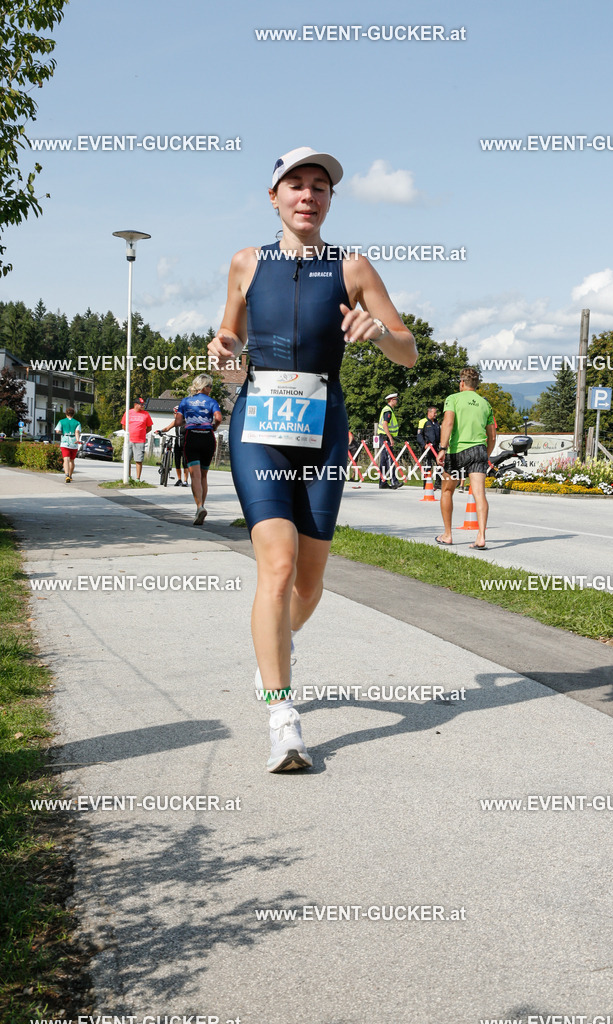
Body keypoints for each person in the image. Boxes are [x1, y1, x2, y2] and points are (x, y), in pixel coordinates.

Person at [208, 146, 417, 772]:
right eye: (294, 185)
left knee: (309, 579)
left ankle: (277, 642)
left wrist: (378, 334)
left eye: (319, 186)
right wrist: (224, 350)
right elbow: (229, 338)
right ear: (273, 197)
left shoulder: (351, 267)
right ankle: (283, 718)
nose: (307, 195)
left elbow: (407, 351)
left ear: (329, 201)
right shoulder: (246, 263)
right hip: (261, 425)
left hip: (323, 428)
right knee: (276, 568)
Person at [435, 367, 496, 549]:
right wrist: (486, 454)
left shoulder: (453, 399)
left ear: (462, 383)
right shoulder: (485, 404)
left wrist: (442, 448)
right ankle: (481, 537)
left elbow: (448, 422)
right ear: (476, 385)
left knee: (447, 491)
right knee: (479, 494)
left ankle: (447, 534)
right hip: (478, 451)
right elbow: (492, 436)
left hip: (456, 451)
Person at [160, 375, 222, 524]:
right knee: (204, 476)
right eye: (210, 386)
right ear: (205, 387)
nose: (211, 389)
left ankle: (199, 507)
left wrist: (187, 421)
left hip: (192, 437)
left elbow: (179, 421)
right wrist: (214, 426)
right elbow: (218, 418)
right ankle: (201, 507)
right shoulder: (211, 401)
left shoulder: (186, 401)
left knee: (195, 476)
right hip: (207, 437)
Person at [121, 397, 153, 481]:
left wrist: (142, 433)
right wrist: (130, 432)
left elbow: (149, 427)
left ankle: (138, 478)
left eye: (143, 404)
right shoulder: (128, 413)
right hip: (129, 440)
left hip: (140, 441)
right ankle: (128, 476)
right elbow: (123, 425)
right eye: (141, 404)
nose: (143, 406)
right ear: (135, 404)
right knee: (127, 459)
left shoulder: (146, 414)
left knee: (138, 460)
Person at [159, 406, 190, 486]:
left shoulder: (187, 422)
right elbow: (167, 428)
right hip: (177, 443)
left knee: (185, 462)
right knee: (177, 461)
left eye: (176, 413)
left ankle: (185, 481)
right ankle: (179, 479)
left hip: (185, 444)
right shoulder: (175, 422)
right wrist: (160, 431)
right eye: (174, 413)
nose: (175, 415)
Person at [378, 393, 403, 489]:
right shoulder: (388, 411)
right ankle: (394, 481)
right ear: (391, 400)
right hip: (386, 437)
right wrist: (390, 438)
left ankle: (383, 482)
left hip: (384, 437)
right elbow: (385, 425)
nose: (397, 401)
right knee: (390, 459)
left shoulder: (388, 410)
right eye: (396, 399)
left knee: (384, 460)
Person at [417, 404, 441, 490]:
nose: (436, 414)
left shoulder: (436, 422)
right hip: (427, 448)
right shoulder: (423, 421)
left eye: (436, 413)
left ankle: (438, 484)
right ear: (429, 413)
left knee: (440, 464)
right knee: (427, 465)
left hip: (436, 447)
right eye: (434, 413)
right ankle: (426, 484)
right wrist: (424, 445)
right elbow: (419, 435)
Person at [54, 407, 81, 483]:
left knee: (66, 460)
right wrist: (78, 440)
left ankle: (66, 475)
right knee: (71, 461)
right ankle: (70, 475)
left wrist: (62, 432)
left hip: (65, 442)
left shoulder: (61, 421)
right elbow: (77, 432)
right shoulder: (77, 422)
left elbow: (57, 431)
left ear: (66, 414)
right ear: (73, 414)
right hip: (73, 443)